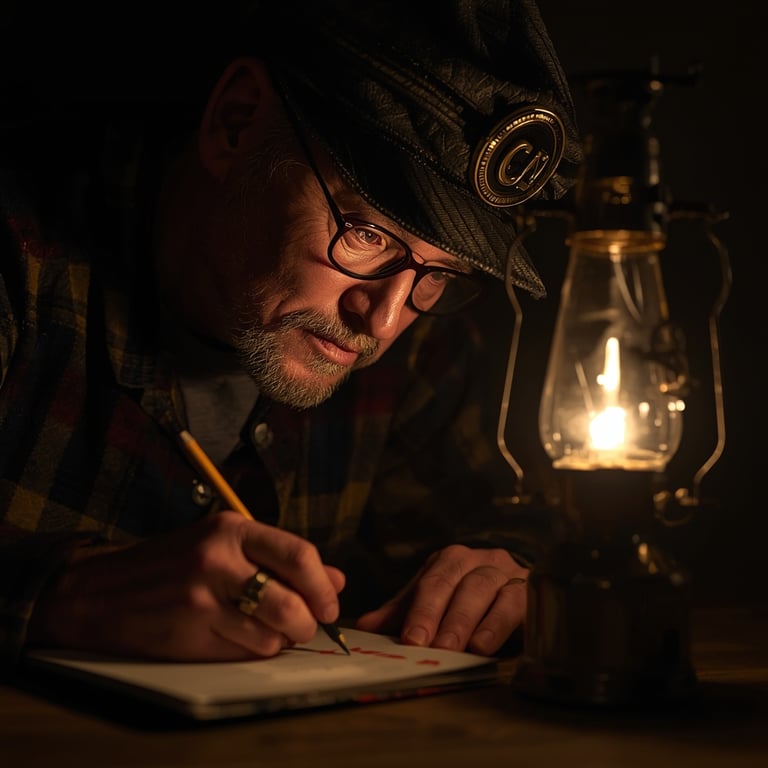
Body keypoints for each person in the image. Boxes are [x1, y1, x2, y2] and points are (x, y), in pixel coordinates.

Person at [0, 0, 581, 669]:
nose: (385, 320)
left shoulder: (413, 332)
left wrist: (505, 572)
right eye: (367, 233)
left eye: (444, 272)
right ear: (236, 123)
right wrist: (62, 595)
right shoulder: (19, 256)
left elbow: (513, 518)